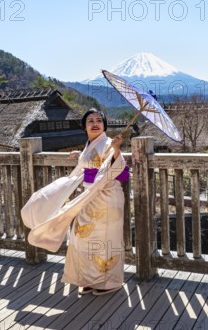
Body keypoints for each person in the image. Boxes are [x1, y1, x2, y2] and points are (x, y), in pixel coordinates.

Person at [61, 108, 128, 296]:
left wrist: (116, 150)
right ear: (85, 126)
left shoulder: (108, 143)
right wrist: (81, 155)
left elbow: (122, 174)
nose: (95, 123)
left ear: (104, 125)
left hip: (107, 200)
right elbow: (92, 163)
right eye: (90, 120)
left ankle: (109, 282)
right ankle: (90, 279)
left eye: (99, 120)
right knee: (84, 238)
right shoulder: (91, 145)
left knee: (105, 240)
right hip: (90, 198)